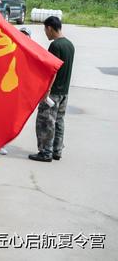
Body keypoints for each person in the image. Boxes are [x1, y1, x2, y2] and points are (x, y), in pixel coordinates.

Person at [29, 16, 75, 162]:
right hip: (64, 92)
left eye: (45, 30)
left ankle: (45, 152)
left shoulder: (56, 46)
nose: (45, 33)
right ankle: (57, 150)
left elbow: (52, 70)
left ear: (50, 28)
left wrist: (47, 90)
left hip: (53, 92)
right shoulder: (69, 45)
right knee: (59, 121)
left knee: (45, 122)